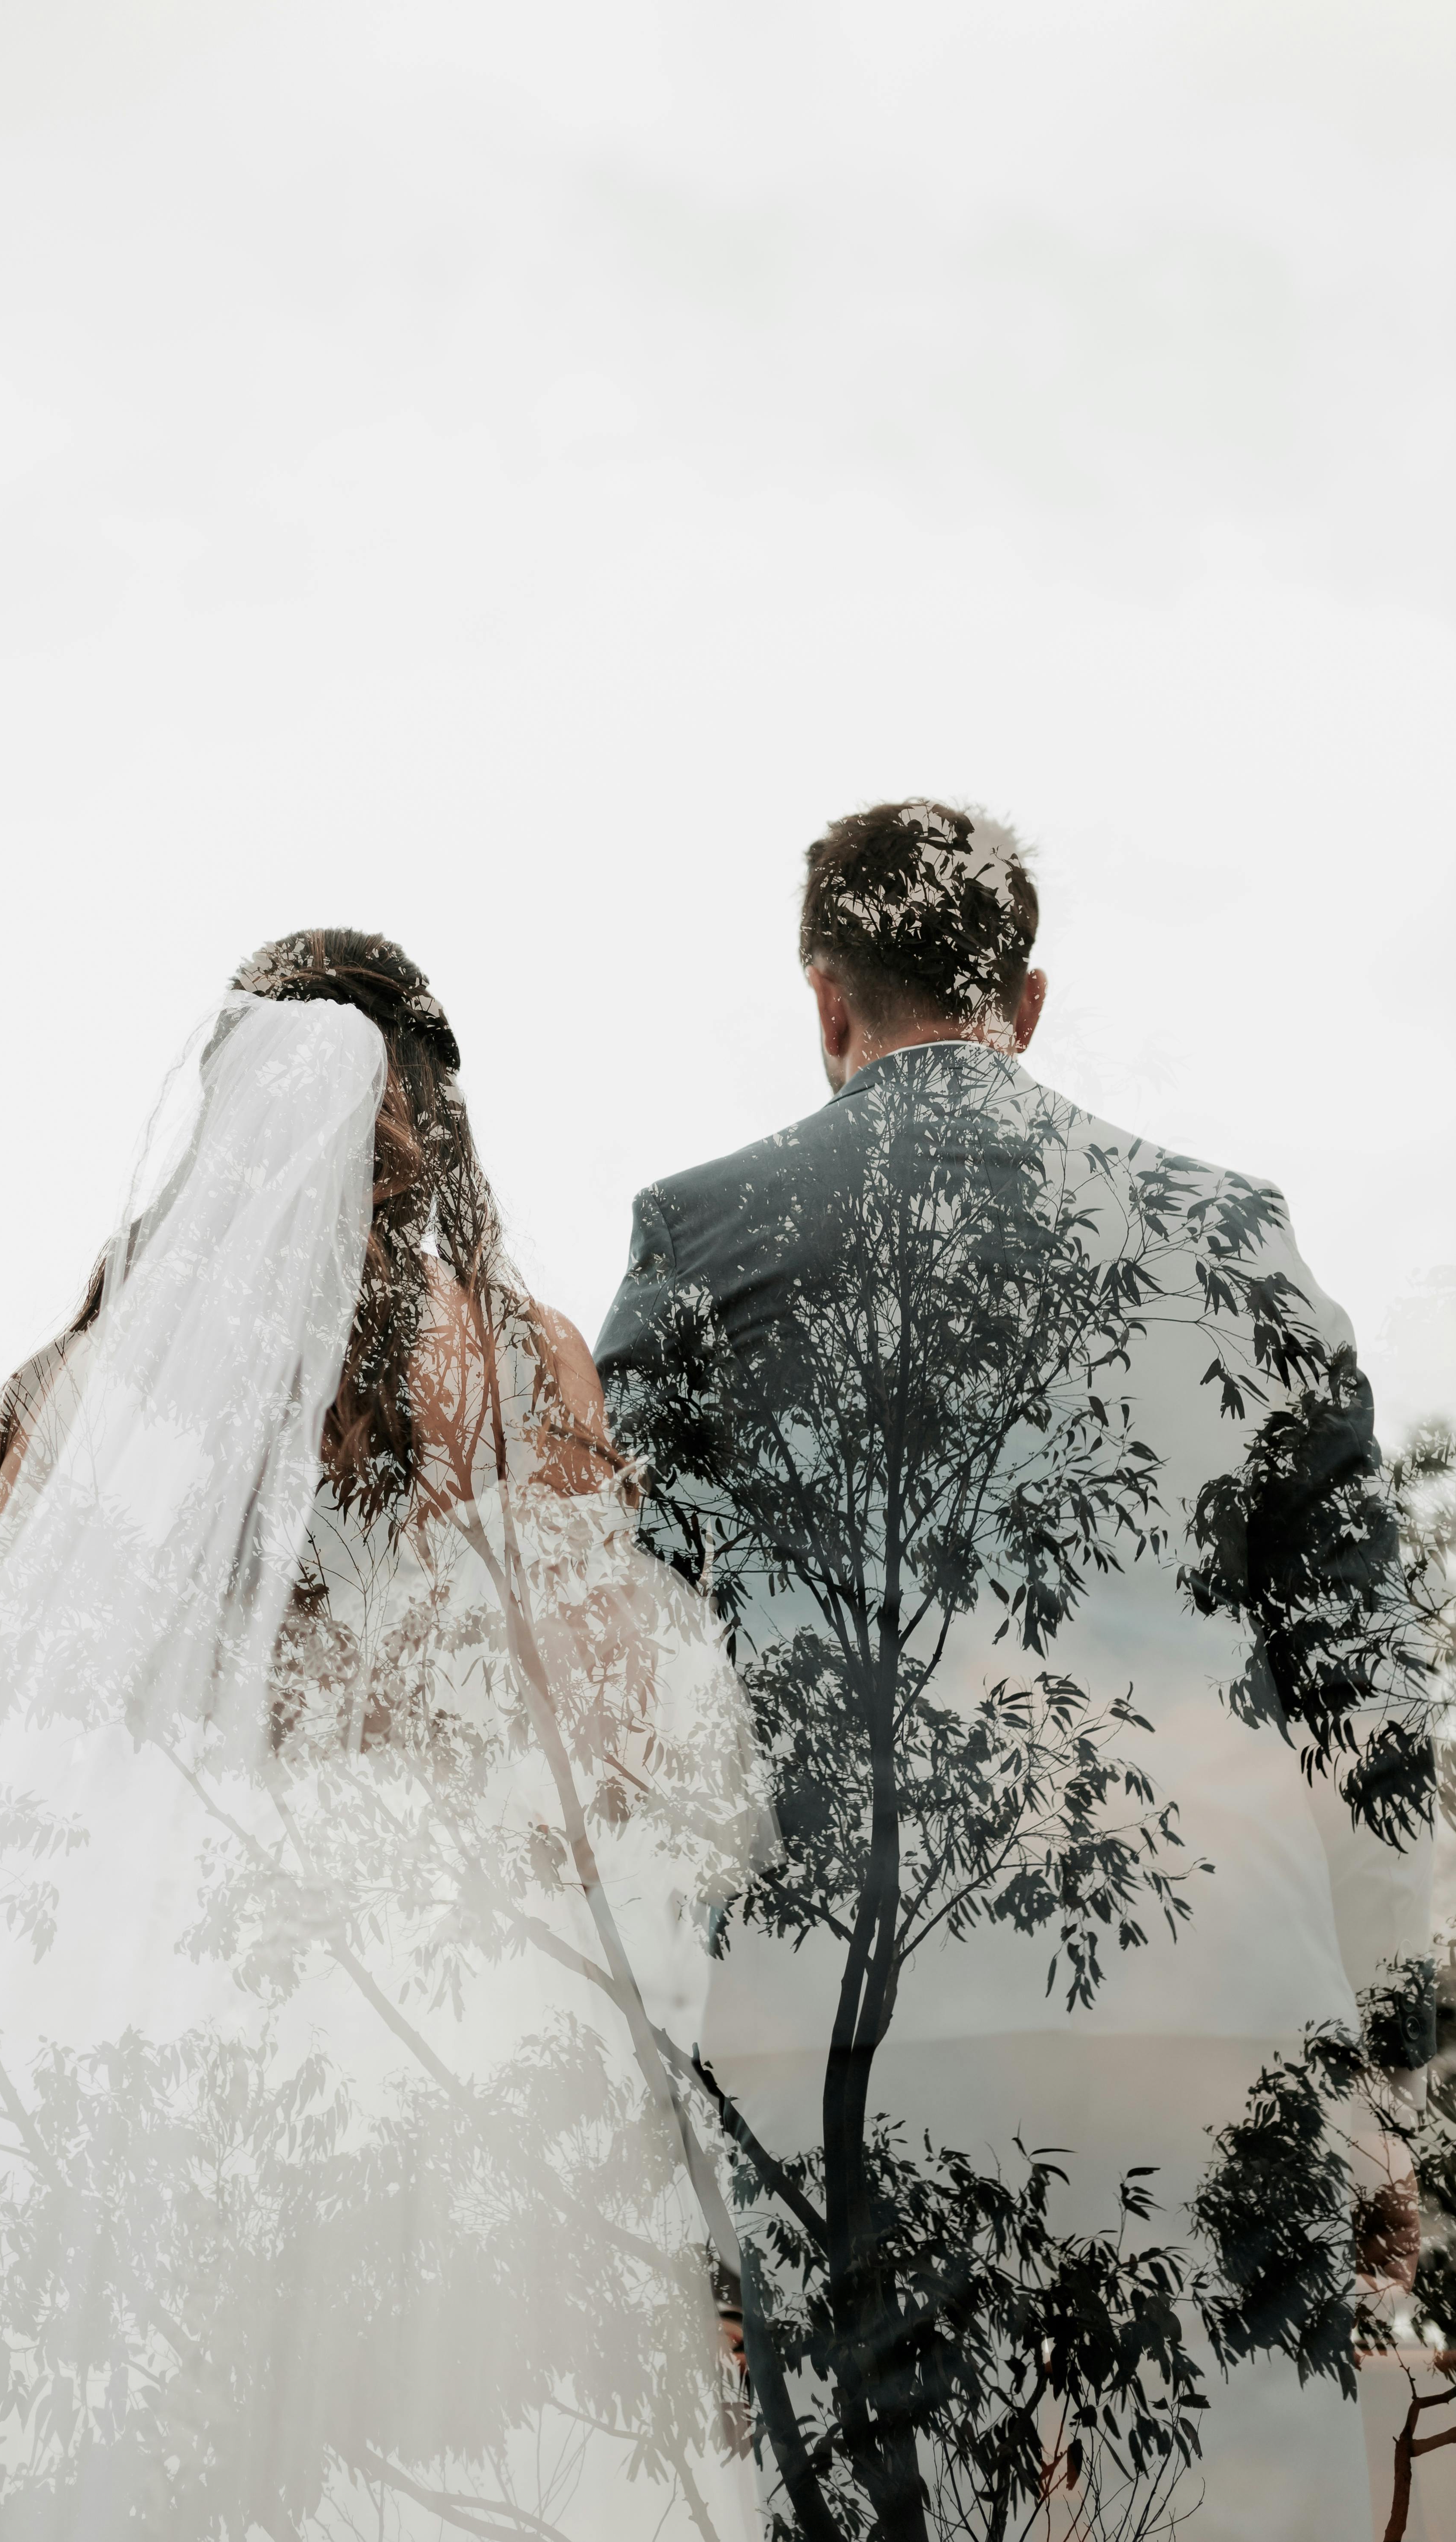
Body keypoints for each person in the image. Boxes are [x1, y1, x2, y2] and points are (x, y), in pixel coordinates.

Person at [0, 931, 762, 2540]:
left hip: (155, 1951)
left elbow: (32, 1645)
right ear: (435, 1117)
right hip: (447, 1971)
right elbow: (607, 1708)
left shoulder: (119, 1358)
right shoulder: (518, 1359)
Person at [596, 802, 1435, 2542]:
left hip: (843, 2043)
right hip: (1220, 2018)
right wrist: (1395, 2044)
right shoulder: (1233, 1232)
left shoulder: (701, 1235)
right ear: (1026, 998)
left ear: (825, 999)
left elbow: (644, 1680)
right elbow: (1364, 1694)